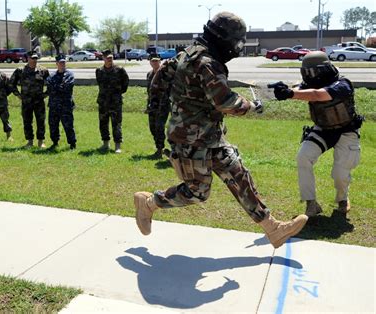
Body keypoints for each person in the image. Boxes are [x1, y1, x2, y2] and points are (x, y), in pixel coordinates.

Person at [133, 12, 308, 249]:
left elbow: (159, 81)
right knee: (197, 193)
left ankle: (273, 229)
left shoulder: (188, 53)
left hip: (210, 136)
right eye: (236, 40)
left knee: (239, 175)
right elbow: (226, 103)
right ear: (224, 38)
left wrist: (174, 102)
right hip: (190, 141)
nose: (237, 46)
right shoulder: (207, 63)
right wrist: (253, 106)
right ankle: (149, 203)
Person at [270, 51, 364, 216]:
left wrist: (291, 94)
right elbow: (300, 88)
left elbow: (318, 95)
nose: (309, 76)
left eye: (312, 72)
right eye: (306, 72)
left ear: (324, 69)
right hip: (323, 129)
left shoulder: (343, 84)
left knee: (340, 174)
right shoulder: (311, 84)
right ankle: (311, 203)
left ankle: (343, 198)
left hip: (346, 130)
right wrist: (285, 89)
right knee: (303, 157)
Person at [10, 51, 50, 148]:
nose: (34, 60)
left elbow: (51, 84)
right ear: (28, 58)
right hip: (26, 101)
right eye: (32, 58)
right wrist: (18, 95)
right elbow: (11, 83)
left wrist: (45, 94)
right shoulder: (20, 70)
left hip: (39, 102)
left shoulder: (43, 70)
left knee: (41, 122)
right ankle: (30, 141)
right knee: (27, 121)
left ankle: (41, 142)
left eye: (36, 58)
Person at [95, 49, 129, 153]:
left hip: (115, 103)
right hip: (103, 102)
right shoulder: (99, 71)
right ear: (103, 58)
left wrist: (117, 94)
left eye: (111, 58)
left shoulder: (119, 70)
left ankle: (117, 146)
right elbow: (99, 84)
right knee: (103, 123)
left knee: (116, 124)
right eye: (107, 58)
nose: (110, 60)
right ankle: (105, 144)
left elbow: (126, 83)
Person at [46, 54, 76, 150]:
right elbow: (49, 88)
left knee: (68, 125)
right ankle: (55, 142)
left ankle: (72, 144)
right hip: (53, 105)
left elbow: (67, 87)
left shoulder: (69, 75)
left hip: (66, 105)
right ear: (56, 64)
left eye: (64, 62)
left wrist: (56, 87)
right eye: (60, 62)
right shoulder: (52, 76)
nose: (62, 64)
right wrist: (58, 87)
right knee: (53, 125)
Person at [146, 53, 171, 158]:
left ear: (160, 61)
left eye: (157, 61)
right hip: (152, 105)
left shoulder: (166, 74)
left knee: (159, 127)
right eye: (153, 61)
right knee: (152, 127)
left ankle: (160, 150)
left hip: (163, 105)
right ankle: (159, 148)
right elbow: (149, 91)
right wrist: (147, 104)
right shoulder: (149, 74)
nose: (155, 63)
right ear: (150, 62)